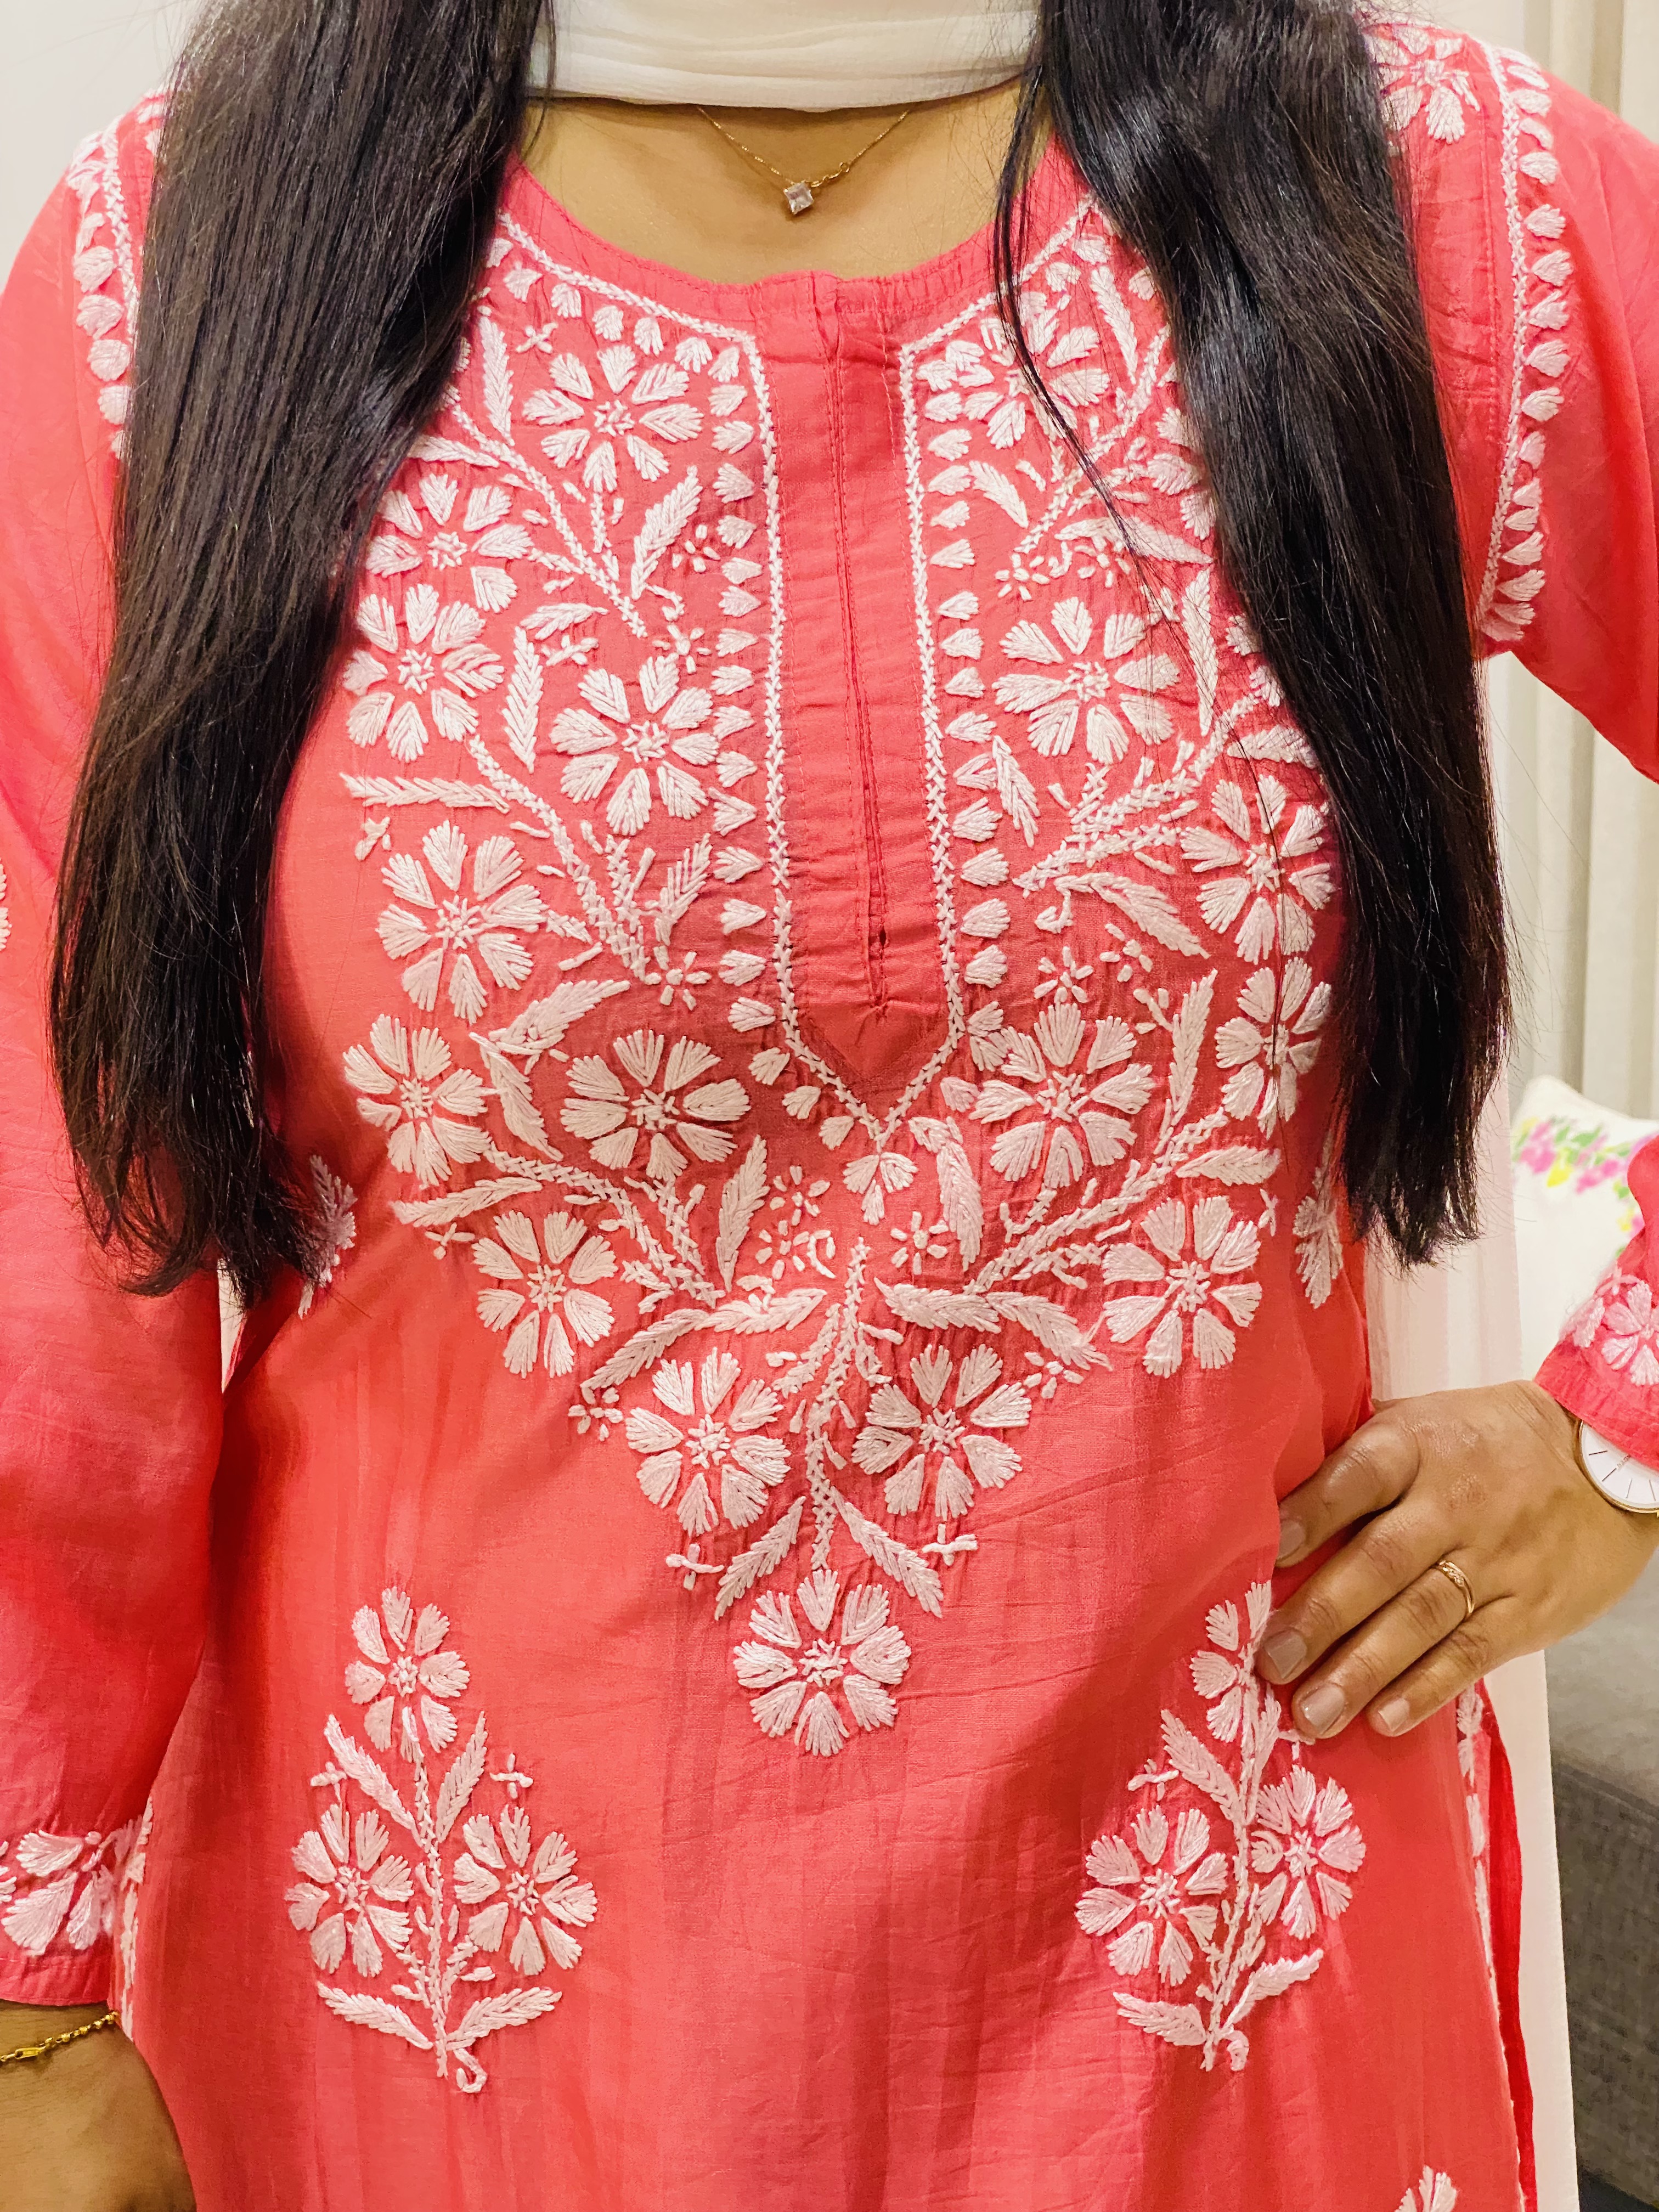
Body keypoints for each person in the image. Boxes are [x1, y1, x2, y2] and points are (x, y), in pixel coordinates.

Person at [2, 0, 1657, 2204]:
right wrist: (26, 2009)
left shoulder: (1412, 189)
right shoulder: (189, 267)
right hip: (445, 2011)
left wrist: (1618, 1429)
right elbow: (43, 1210)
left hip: (1215, 1981)